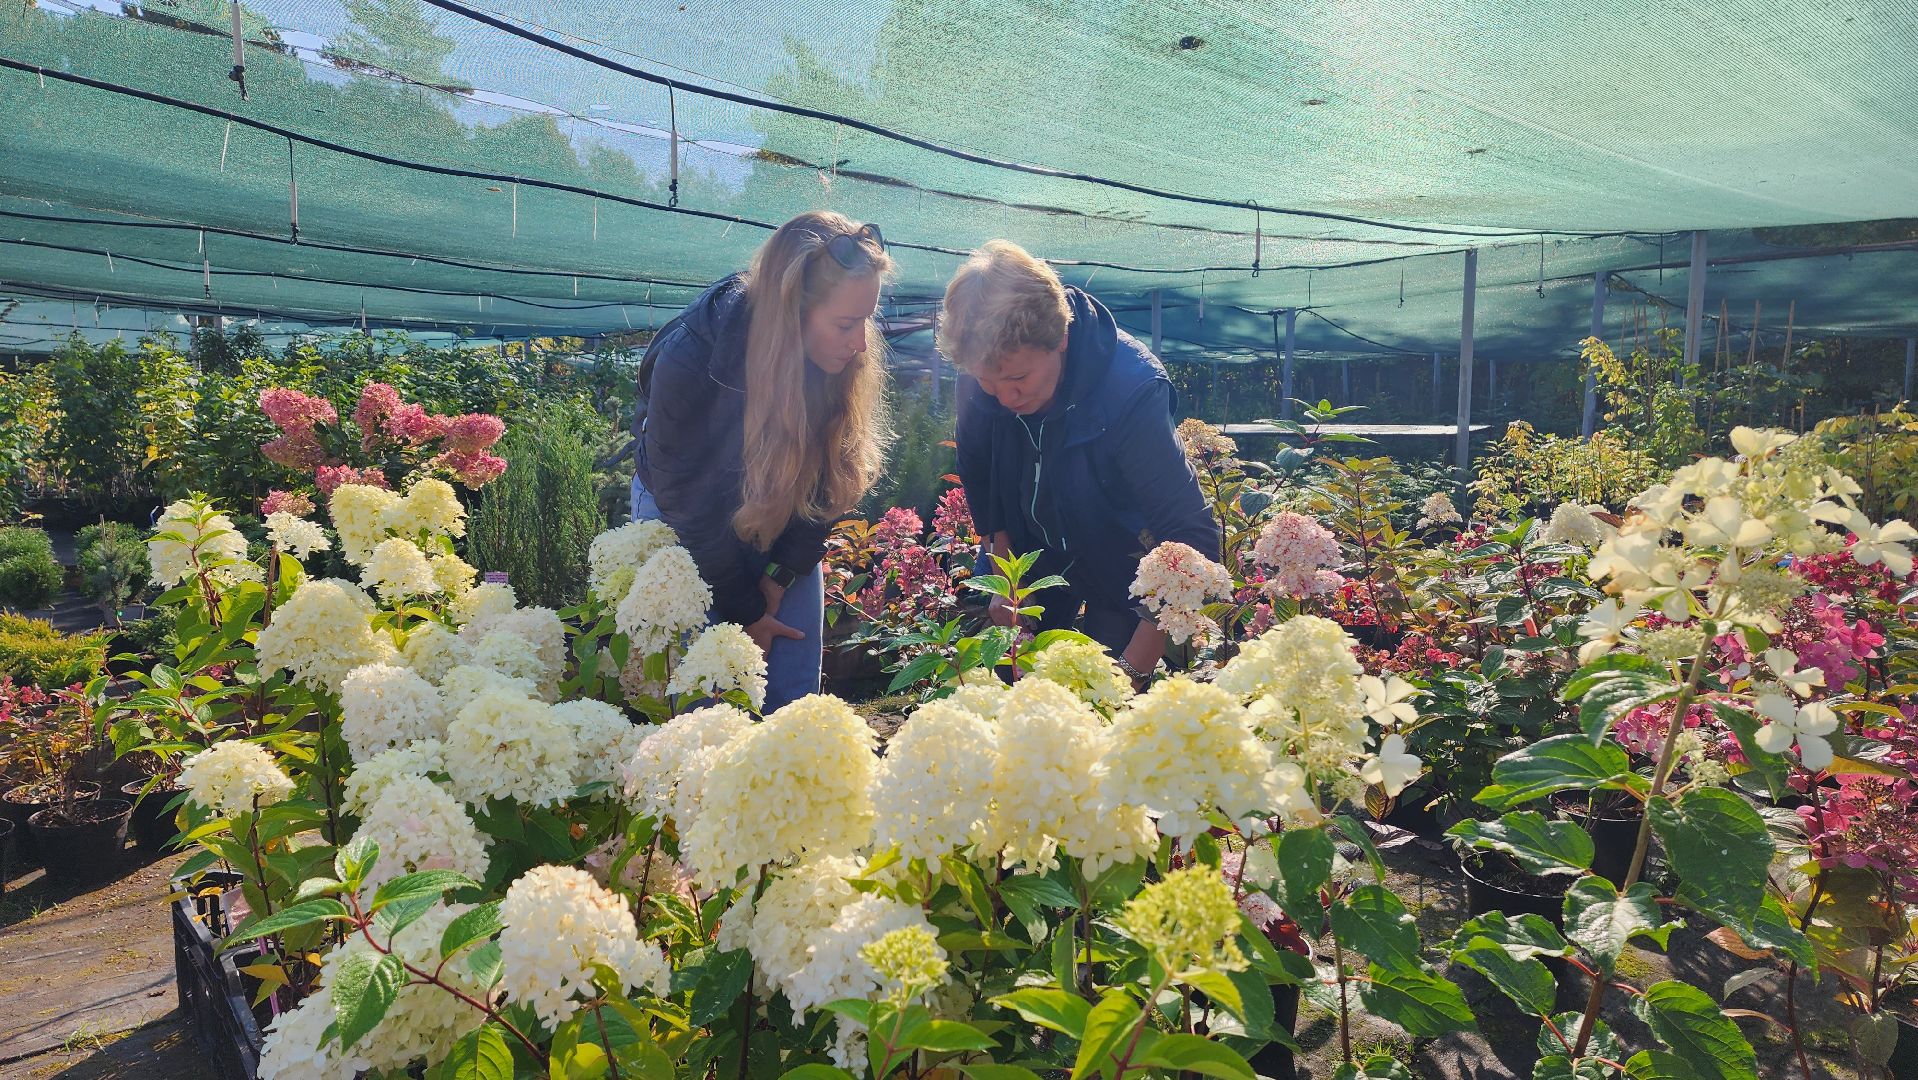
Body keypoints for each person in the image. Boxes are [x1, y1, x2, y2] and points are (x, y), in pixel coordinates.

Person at [631, 210, 892, 711]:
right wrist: (744, 606)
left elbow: (829, 485)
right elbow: (687, 499)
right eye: (845, 323)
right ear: (792, 311)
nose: (860, 343)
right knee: (707, 701)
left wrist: (779, 579)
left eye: (866, 320)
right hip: (688, 519)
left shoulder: (840, 362)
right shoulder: (693, 357)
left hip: (778, 509)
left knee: (794, 702)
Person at [941, 240, 1221, 685]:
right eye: (988, 381)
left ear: (1061, 340)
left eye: (1018, 378)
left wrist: (1135, 666)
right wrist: (1003, 580)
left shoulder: (1130, 390)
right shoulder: (981, 381)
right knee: (1010, 683)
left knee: (1110, 695)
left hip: (1121, 560)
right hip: (1031, 548)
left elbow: (1192, 534)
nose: (1005, 398)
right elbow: (983, 487)